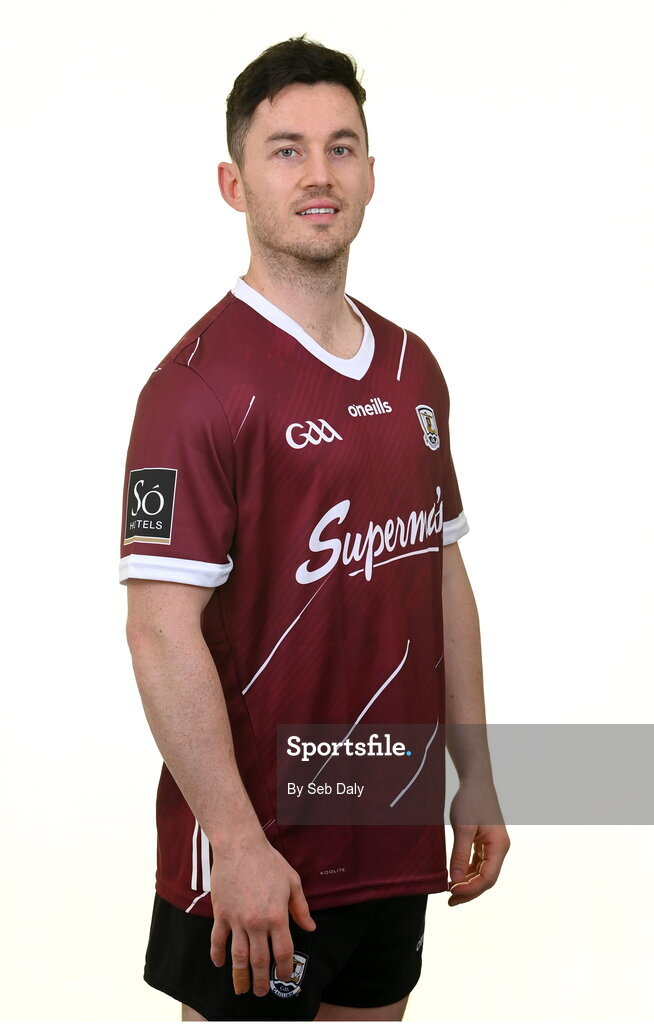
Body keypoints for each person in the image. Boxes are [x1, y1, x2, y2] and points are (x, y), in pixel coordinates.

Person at [119, 33, 510, 1023]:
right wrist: (236, 839)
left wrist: (479, 777)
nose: (318, 172)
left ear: (371, 173)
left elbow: (441, 576)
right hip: (262, 853)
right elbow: (160, 630)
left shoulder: (415, 367)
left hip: (391, 824)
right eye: (285, 149)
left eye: (341, 146)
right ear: (232, 180)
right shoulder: (195, 389)